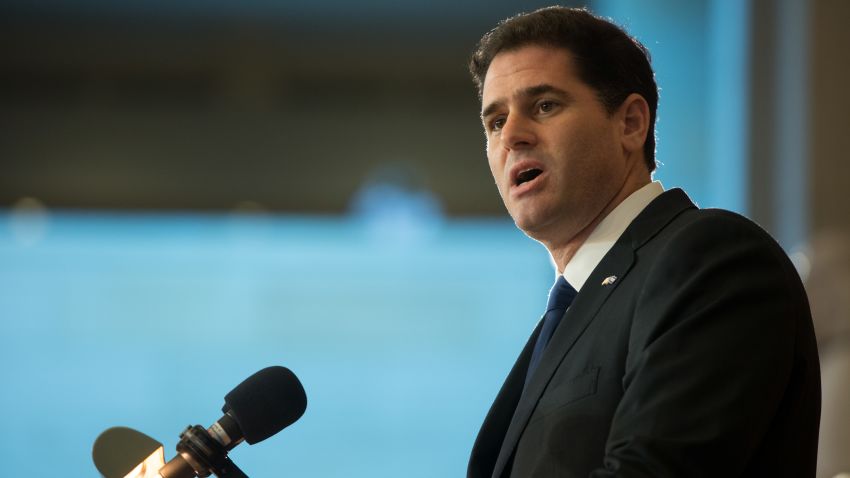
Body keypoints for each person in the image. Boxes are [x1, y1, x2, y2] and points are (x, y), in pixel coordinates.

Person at [465, 7, 820, 477]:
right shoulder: (574, 310)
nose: (511, 136)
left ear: (630, 123)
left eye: (545, 105)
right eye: (495, 122)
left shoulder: (713, 259)